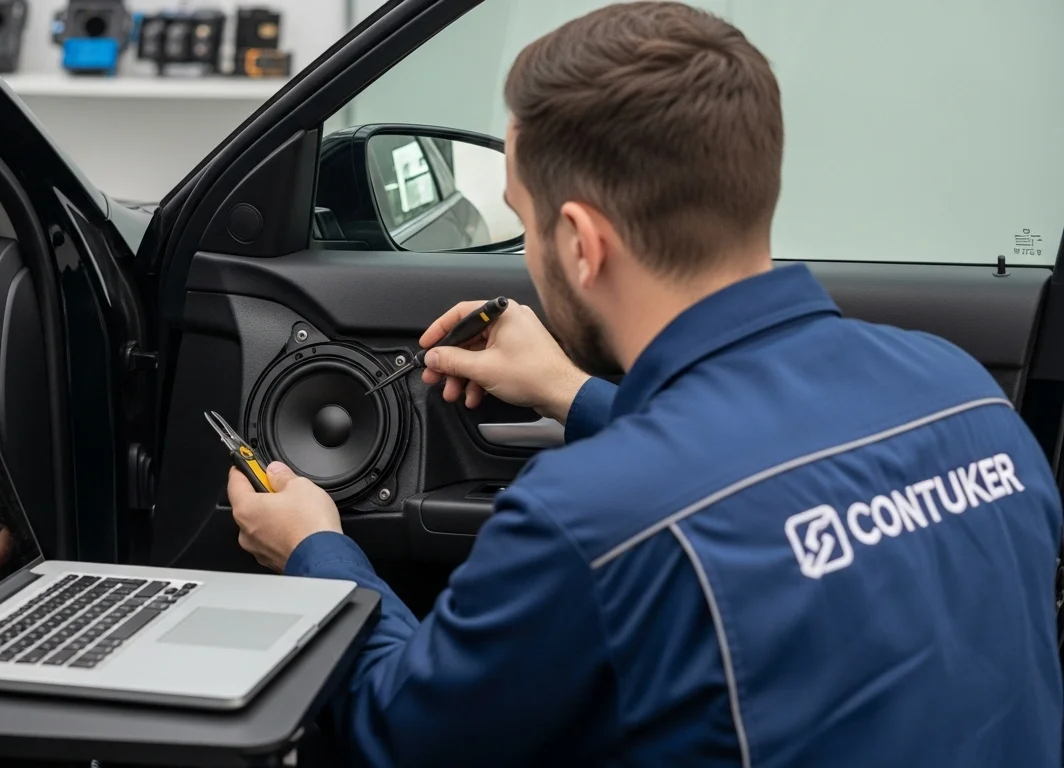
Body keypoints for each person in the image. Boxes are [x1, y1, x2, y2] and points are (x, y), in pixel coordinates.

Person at [227, 2, 1064, 766]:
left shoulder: (588, 517)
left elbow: (401, 734)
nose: (526, 251)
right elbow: (757, 472)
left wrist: (313, 549)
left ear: (582, 243)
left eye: (523, 221)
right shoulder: (964, 393)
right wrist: (568, 390)